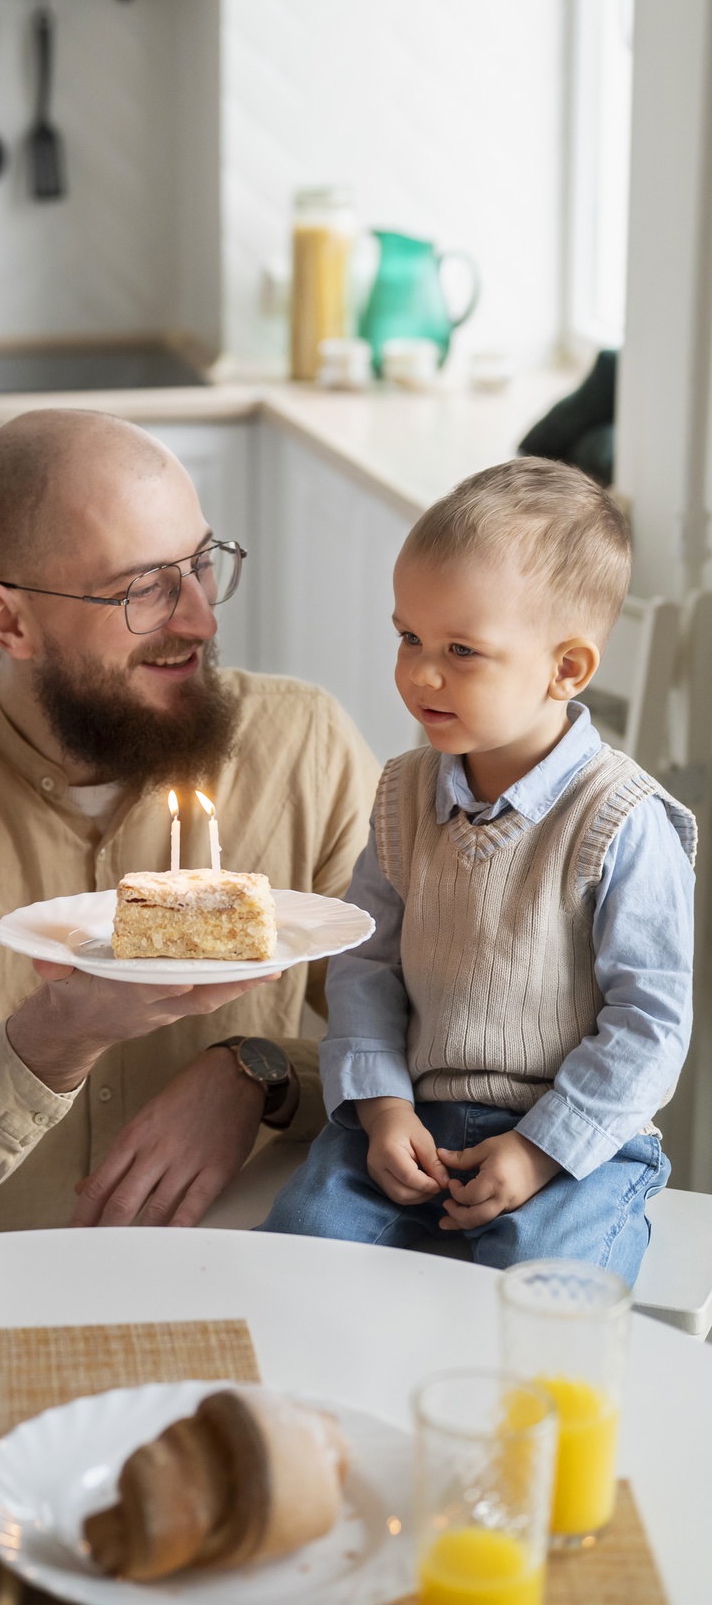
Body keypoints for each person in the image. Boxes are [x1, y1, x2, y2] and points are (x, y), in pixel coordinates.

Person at [0, 409, 378, 1247]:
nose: (199, 619)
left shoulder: (304, 747)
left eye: (200, 566)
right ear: (8, 621)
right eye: (145, 589)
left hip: (245, 1271)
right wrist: (59, 1035)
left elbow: (429, 1057)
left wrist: (256, 1074)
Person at [266, 458, 696, 1279]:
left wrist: (539, 1151)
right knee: (301, 1246)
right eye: (408, 637)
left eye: (461, 649)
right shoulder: (401, 793)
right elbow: (365, 965)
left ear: (564, 671)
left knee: (543, 1283)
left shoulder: (622, 821)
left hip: (570, 1139)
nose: (420, 673)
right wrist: (384, 1108)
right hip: (411, 1121)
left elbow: (649, 1022)